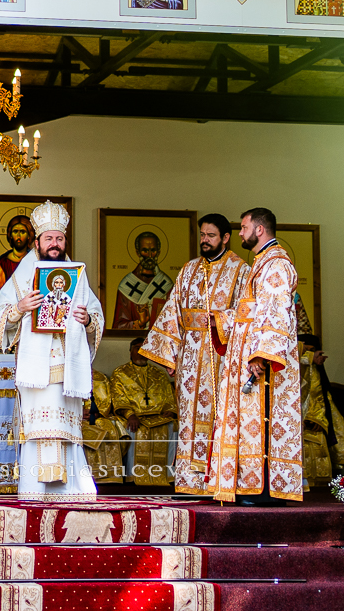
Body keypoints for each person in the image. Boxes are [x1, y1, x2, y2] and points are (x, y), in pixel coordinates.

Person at [0, 201, 103, 498]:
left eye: (60, 239)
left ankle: (72, 490)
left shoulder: (76, 275)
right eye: (49, 239)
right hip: (36, 370)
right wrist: (19, 308)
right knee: (39, 431)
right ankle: (35, 489)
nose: (55, 244)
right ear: (37, 241)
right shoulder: (22, 275)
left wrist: (88, 319)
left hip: (68, 368)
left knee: (67, 432)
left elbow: (96, 315)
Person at [138, 212, 250, 495]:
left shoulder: (241, 270)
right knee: (188, 417)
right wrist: (170, 356)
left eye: (211, 236)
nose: (205, 241)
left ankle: (219, 480)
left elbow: (248, 311)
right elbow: (172, 310)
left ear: (225, 238)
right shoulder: (188, 269)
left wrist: (219, 320)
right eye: (202, 235)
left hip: (220, 354)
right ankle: (190, 481)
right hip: (189, 356)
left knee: (219, 416)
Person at [208, 208, 304, 505]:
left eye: (244, 227)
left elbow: (275, 314)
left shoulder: (275, 265)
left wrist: (261, 356)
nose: (240, 233)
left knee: (262, 420)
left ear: (259, 229)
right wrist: (220, 320)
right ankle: (253, 486)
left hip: (263, 365)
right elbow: (250, 311)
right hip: (251, 357)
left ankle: (264, 490)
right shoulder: (262, 263)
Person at [107, 338, 177, 487]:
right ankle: (133, 477)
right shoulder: (120, 373)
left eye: (143, 349)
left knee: (173, 426)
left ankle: (167, 476)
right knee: (131, 429)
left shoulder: (159, 373)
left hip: (158, 417)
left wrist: (170, 411)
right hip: (134, 416)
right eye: (137, 348)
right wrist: (130, 414)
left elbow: (170, 398)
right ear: (130, 352)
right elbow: (118, 397)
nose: (140, 353)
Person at [300, 334, 344, 491]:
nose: (311, 356)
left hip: (316, 423)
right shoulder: (294, 371)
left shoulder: (317, 374)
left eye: (313, 351)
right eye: (306, 351)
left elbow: (322, 399)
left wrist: (318, 419)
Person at [112, 231, 175, 331]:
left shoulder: (166, 284)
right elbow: (118, 326)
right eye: (145, 250)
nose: (149, 255)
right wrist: (140, 323)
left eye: (153, 250)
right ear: (138, 252)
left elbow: (173, 321)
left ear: (158, 252)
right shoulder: (127, 285)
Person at [82, 368, 127, 484]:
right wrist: (77, 412)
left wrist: (96, 412)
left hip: (97, 416)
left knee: (107, 427)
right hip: (73, 416)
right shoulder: (64, 374)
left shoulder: (100, 377)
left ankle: (109, 476)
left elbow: (106, 401)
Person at [0, 214, 34, 308]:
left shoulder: (34, 262)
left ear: (29, 235)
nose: (18, 236)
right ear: (10, 235)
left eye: (22, 232)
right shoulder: (0, 265)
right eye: (15, 232)